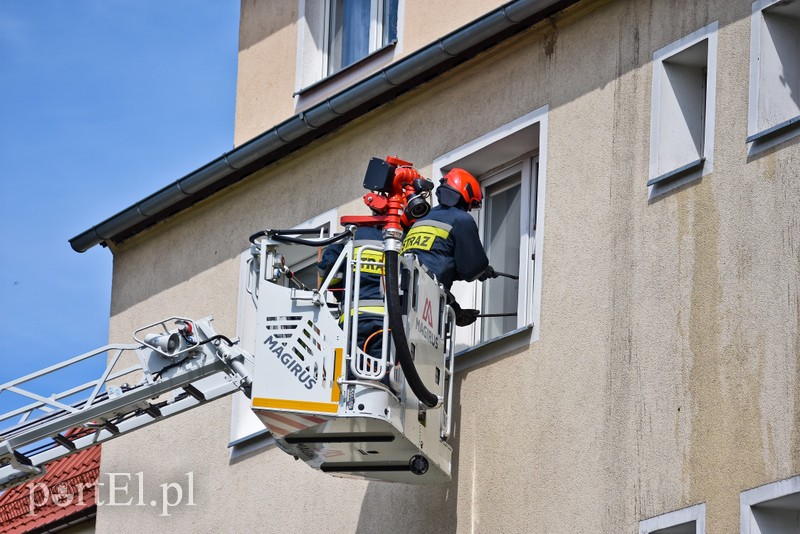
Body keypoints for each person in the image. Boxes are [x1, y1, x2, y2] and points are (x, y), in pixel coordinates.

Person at [401, 168, 497, 326]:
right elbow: (472, 268)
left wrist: (456, 311)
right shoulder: (461, 218)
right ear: (465, 194)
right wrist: (481, 270)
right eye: (470, 205)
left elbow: (435, 262)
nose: (469, 209)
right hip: (426, 297)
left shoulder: (420, 220)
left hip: (405, 293)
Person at [318, 225, 386, 360]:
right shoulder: (398, 239)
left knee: (349, 371)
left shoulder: (349, 237)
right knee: (381, 372)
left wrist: (341, 292)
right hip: (385, 320)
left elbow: (328, 277)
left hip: (353, 318)